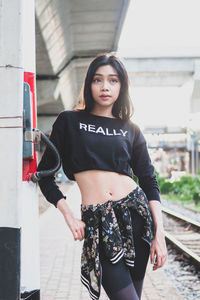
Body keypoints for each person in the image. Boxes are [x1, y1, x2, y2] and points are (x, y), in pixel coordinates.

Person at [37, 53, 167, 300]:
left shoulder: (130, 128)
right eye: (98, 80)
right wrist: (69, 216)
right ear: (89, 84)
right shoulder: (69, 120)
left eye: (113, 80)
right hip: (99, 222)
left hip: (136, 216)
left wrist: (159, 234)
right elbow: (45, 176)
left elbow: (149, 181)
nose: (105, 86)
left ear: (122, 86)